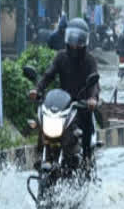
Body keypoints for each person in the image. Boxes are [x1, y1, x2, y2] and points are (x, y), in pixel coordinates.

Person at [31, 17, 100, 166]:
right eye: (72, 40)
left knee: (86, 125)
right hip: (63, 105)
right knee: (43, 123)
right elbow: (49, 75)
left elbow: (95, 83)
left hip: (82, 106)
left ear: (85, 41)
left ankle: (87, 159)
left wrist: (92, 99)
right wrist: (38, 89)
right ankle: (41, 153)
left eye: (78, 41)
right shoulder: (61, 57)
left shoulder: (90, 60)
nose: (75, 45)